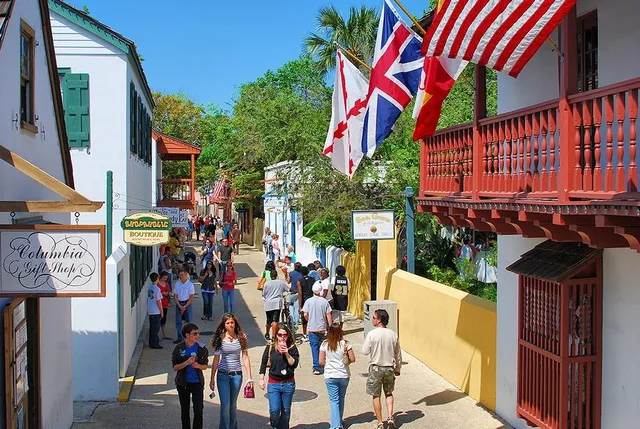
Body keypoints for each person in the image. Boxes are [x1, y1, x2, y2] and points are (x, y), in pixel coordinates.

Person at [210, 314, 253, 429]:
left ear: (235, 323)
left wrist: (249, 377)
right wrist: (212, 378)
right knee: (225, 405)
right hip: (223, 375)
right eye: (228, 323)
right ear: (224, 325)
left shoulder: (241, 337)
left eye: (232, 322)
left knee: (232, 406)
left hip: (237, 375)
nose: (230, 325)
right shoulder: (220, 339)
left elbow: (245, 357)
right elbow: (216, 360)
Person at [362, 309, 403, 429]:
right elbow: (398, 354)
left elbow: (365, 351)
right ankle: (390, 417)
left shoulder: (372, 334)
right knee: (389, 393)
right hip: (389, 368)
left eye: (374, 318)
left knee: (376, 395)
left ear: (379, 320)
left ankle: (380, 422)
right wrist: (398, 367)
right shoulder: (393, 334)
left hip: (376, 368)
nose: (372, 320)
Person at [259, 323, 299, 429]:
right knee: (274, 410)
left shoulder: (292, 347)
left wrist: (287, 353)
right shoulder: (270, 347)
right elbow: (263, 362)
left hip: (288, 383)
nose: (282, 337)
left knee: (285, 411)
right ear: (276, 335)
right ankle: (275, 425)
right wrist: (261, 378)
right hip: (273, 383)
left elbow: (293, 364)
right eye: (280, 335)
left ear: (288, 335)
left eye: (285, 335)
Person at [172, 323, 209, 429]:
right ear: (187, 335)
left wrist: (197, 365)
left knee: (198, 410)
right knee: (185, 411)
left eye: (198, 333)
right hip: (183, 383)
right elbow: (175, 367)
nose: (197, 336)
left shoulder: (202, 349)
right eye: (194, 334)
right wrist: (186, 363)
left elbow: (205, 366)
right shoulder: (179, 348)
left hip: (197, 383)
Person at [320, 323, 356, 429]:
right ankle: (339, 420)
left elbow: (321, 361)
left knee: (333, 400)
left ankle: (336, 425)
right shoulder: (345, 344)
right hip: (343, 374)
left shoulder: (325, 344)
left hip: (330, 375)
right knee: (341, 398)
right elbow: (353, 359)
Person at [302, 282, 333, 375]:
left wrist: (309, 320)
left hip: (312, 328)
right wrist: (330, 327)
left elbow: (305, 314)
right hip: (322, 328)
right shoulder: (325, 302)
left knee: (314, 348)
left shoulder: (308, 301)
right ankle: (322, 363)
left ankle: (317, 367)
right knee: (322, 347)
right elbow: (329, 315)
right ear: (320, 291)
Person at [262, 270, 289, 341]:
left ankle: (267, 333)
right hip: (277, 303)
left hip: (268, 304)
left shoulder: (267, 283)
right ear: (276, 275)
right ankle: (273, 336)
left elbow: (263, 294)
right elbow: (288, 289)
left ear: (270, 276)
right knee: (275, 320)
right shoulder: (281, 283)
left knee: (268, 320)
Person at [173, 269, 196, 344]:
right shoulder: (177, 284)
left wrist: (185, 306)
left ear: (186, 275)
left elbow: (191, 297)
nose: (180, 276)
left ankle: (190, 337)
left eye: (182, 275)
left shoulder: (190, 284)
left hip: (187, 303)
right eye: (179, 275)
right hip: (179, 303)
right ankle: (179, 337)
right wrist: (179, 305)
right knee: (178, 321)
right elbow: (175, 295)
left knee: (189, 321)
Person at [297, 266, 316, 343]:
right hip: (312, 299)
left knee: (304, 319)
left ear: (301, 273)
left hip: (305, 300)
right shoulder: (313, 280)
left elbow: (300, 293)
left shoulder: (299, 281)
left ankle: (305, 334)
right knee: (312, 317)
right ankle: (313, 333)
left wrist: (300, 306)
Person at [147, 272, 164, 349]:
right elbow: (158, 301)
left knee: (152, 327)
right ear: (157, 278)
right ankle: (155, 343)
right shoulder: (157, 289)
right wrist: (161, 311)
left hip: (150, 310)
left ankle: (151, 342)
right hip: (156, 310)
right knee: (156, 328)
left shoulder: (150, 288)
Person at [287, 263, 303, 329]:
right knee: (297, 308)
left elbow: (288, 281)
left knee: (290, 304)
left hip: (293, 292)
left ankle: (292, 320)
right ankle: (296, 323)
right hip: (299, 293)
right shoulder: (302, 274)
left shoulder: (291, 273)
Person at [158, 271, 172, 339]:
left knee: (163, 319)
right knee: (158, 319)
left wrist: (167, 293)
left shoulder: (166, 284)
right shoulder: (157, 284)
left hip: (165, 303)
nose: (165, 279)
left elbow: (169, 291)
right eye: (164, 278)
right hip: (159, 304)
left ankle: (164, 334)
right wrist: (162, 293)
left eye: (166, 278)